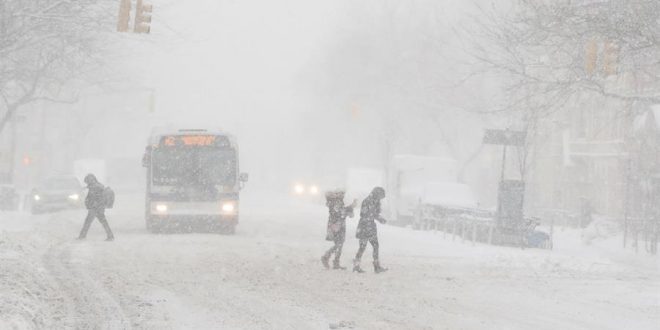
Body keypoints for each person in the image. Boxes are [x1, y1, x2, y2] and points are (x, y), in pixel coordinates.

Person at [353, 187, 387, 273]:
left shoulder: (374, 201)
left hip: (369, 226)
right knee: (363, 247)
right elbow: (366, 213)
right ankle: (358, 266)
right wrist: (378, 218)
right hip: (365, 226)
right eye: (380, 196)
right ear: (376, 194)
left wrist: (378, 217)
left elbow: (374, 213)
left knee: (373, 246)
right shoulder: (368, 201)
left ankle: (375, 266)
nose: (380, 198)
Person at [321, 190, 357, 270]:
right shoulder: (335, 202)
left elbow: (348, 214)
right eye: (341, 193)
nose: (343, 195)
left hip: (339, 225)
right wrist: (350, 207)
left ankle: (335, 262)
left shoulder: (339, 202)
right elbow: (340, 213)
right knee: (339, 243)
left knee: (340, 243)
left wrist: (351, 207)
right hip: (336, 225)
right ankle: (326, 257)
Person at [78, 174, 114, 241]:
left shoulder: (95, 187)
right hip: (97, 207)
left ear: (90, 180)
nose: (87, 183)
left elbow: (96, 198)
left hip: (95, 208)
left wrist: (92, 204)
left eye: (87, 181)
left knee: (88, 222)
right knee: (103, 222)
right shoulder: (97, 186)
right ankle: (110, 236)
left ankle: (82, 236)